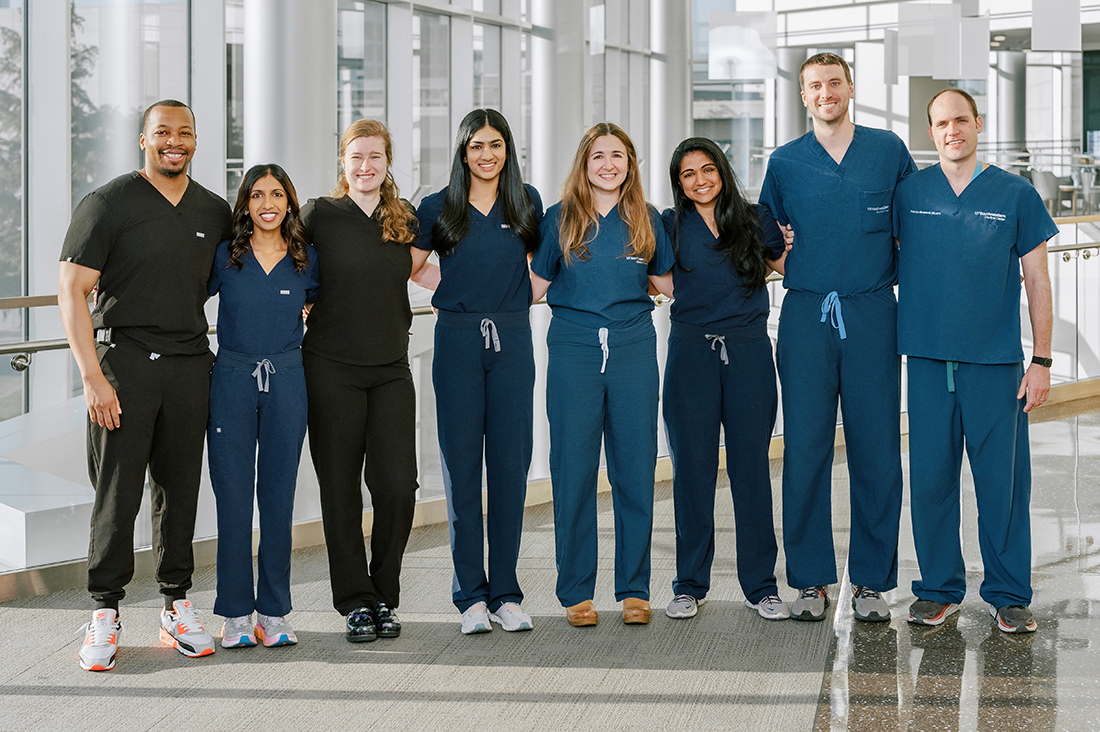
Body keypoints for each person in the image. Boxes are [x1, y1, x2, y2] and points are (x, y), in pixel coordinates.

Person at [59, 100, 232, 671]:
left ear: (196, 141)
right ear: (143, 140)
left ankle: (175, 606)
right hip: (124, 367)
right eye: (163, 133)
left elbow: (238, 275)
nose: (174, 142)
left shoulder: (214, 209)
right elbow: (71, 289)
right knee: (117, 495)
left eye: (185, 133)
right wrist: (92, 377)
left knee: (180, 492)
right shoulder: (107, 203)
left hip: (189, 366)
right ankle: (104, 611)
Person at [758, 52, 916, 623]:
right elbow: (767, 243)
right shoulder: (785, 163)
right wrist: (784, 256)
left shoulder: (888, 152)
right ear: (803, 96)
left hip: (874, 314)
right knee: (804, 449)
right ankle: (810, 580)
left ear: (851, 87)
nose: (825, 92)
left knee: (876, 450)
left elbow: (913, 229)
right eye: (814, 86)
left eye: (834, 82)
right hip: (806, 317)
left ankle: (871, 582)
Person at [895, 89, 1055, 634]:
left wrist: (1042, 359)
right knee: (932, 481)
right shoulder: (910, 192)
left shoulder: (1016, 194)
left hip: (995, 363)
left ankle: (1009, 594)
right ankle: (938, 589)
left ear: (978, 124)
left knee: (1002, 485)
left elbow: (1037, 279)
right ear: (931, 131)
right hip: (927, 360)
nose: (951, 130)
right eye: (940, 123)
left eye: (960, 119)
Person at [530, 122, 675, 627]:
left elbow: (668, 282)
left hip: (634, 345)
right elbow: (533, 286)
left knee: (635, 470)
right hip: (574, 348)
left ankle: (635, 589)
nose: (608, 164)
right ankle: (575, 591)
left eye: (618, 155)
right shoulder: (559, 219)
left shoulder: (646, 219)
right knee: (573, 472)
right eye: (598, 156)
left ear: (630, 163)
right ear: (584, 164)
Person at [412, 109, 543, 635]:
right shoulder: (437, 206)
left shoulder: (525, 201)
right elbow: (413, 265)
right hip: (458, 340)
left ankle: (506, 593)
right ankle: (470, 596)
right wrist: (457, 290)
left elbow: (544, 267)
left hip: (512, 339)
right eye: (476, 146)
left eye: (495, 144)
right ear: (462, 151)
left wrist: (515, 299)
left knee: (510, 468)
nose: (486, 155)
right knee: (461, 465)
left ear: (507, 149)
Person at [651, 137, 789, 622]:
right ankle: (690, 584)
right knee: (692, 471)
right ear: (679, 183)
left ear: (722, 171)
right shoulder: (668, 226)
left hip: (749, 351)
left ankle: (762, 586)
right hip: (691, 353)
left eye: (707, 169)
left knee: (752, 469)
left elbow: (789, 265)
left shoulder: (755, 218)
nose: (700, 180)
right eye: (688, 174)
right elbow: (652, 276)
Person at [301, 119, 420, 643]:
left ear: (388, 162)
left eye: (375, 156)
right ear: (342, 162)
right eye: (356, 157)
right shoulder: (318, 215)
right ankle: (356, 601)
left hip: (391, 369)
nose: (365, 166)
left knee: (397, 485)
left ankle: (384, 592)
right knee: (341, 489)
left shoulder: (405, 219)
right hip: (330, 368)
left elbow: (430, 274)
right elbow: (281, 267)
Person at [207, 164, 320, 649]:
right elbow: (182, 300)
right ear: (245, 204)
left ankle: (272, 612)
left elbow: (321, 304)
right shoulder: (225, 257)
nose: (267, 203)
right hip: (231, 378)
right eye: (257, 195)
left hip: (288, 379)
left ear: (290, 203)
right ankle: (235, 614)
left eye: (277, 194)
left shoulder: (307, 259)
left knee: (278, 497)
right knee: (233, 497)